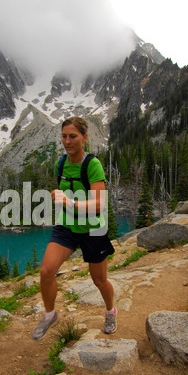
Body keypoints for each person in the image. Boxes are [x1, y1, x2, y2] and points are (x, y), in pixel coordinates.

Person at [32, 117, 116, 340]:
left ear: (84, 138)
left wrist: (69, 202)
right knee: (46, 271)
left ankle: (110, 310)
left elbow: (99, 203)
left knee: (99, 280)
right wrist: (58, 197)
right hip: (67, 226)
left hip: (93, 228)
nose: (67, 141)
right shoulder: (61, 163)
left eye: (73, 136)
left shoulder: (92, 164)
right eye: (64, 136)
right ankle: (50, 314)